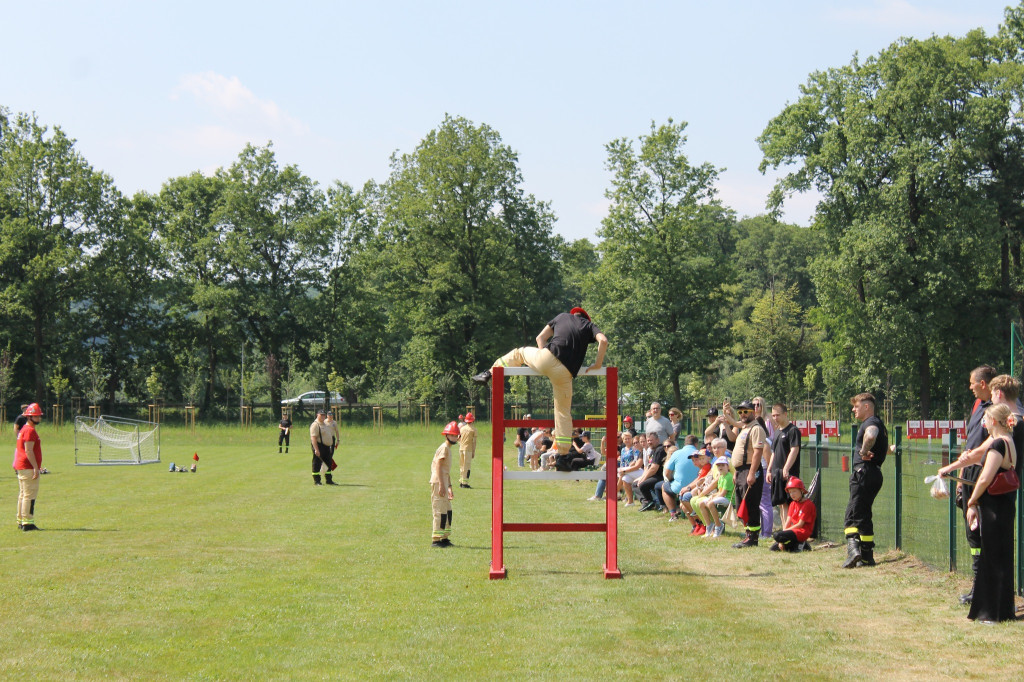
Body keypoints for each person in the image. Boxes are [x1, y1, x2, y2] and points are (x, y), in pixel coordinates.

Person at [473, 307, 608, 456]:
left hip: (547, 358)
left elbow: (540, 338)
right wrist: (598, 364)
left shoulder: (562, 316)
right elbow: (603, 341)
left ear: (573, 314)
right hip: (566, 372)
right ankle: (563, 454)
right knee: (563, 412)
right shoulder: (589, 326)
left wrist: (544, 364)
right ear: (585, 318)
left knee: (519, 353)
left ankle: (489, 373)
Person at [962, 403, 1018, 623]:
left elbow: (985, 477)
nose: (983, 423)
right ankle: (1004, 609)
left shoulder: (997, 443)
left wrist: (972, 500)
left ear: (993, 421)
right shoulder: (1010, 441)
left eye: (985, 419)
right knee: (1003, 557)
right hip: (1005, 505)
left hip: (994, 506)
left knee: (992, 558)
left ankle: (992, 612)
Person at [842, 393, 889, 568]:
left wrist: (863, 451)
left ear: (867, 406)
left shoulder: (871, 423)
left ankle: (854, 552)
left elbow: (871, 435)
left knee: (852, 515)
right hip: (874, 473)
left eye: (856, 406)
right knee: (863, 515)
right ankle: (867, 557)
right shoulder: (880, 423)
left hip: (863, 473)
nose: (853, 409)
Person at [730, 399, 768, 548]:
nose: (742, 414)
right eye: (740, 412)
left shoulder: (756, 429)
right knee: (741, 504)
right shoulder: (745, 428)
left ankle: (753, 538)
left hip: (750, 470)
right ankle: (747, 534)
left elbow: (758, 452)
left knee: (751, 504)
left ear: (753, 412)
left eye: (746, 411)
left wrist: (751, 473)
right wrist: (736, 472)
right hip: (741, 471)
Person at [767, 403, 801, 525]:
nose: (775, 418)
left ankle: (790, 530)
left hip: (788, 474)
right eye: (773, 415)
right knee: (781, 503)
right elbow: (774, 453)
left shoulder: (793, 431)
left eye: (778, 415)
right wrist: (769, 470)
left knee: (790, 503)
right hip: (776, 473)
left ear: (785, 414)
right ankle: (785, 529)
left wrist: (786, 468)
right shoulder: (777, 432)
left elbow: (794, 450)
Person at [13, 403, 44, 531]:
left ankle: (21, 520)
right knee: (29, 495)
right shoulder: (30, 430)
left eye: (39, 416)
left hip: (22, 466)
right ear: (29, 417)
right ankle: (27, 522)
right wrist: (36, 467)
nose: (39, 418)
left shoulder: (24, 430)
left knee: (23, 494)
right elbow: (28, 450)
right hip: (27, 467)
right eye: (36, 416)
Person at [430, 421, 461, 547]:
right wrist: (442, 485)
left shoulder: (448, 449)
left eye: (456, 435)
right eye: (452, 435)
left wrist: (449, 487)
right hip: (438, 482)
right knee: (439, 511)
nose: (454, 437)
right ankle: (436, 540)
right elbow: (438, 465)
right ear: (446, 435)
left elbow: (445, 471)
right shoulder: (444, 448)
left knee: (447, 511)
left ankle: (444, 537)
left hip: (443, 482)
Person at [771, 477, 816, 552]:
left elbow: (800, 525)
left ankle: (802, 544)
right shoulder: (792, 504)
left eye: (794, 491)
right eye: (790, 492)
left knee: (777, 535)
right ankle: (796, 546)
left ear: (802, 491)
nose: (792, 494)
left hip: (802, 531)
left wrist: (783, 533)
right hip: (794, 531)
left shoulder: (808, 504)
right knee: (774, 547)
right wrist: (781, 538)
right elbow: (788, 521)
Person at [662, 435, 700, 519]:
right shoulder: (700, 454)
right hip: (697, 486)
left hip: (679, 487)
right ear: (696, 444)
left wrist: (672, 480)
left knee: (664, 486)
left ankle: (673, 514)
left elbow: (667, 473)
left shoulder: (676, 453)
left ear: (684, 443)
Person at [697, 456, 735, 538]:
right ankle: (709, 525)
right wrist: (713, 496)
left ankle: (718, 525)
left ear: (728, 467)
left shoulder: (728, 477)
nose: (720, 467)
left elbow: (723, 493)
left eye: (723, 465)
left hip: (729, 499)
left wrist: (713, 498)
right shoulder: (721, 476)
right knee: (701, 504)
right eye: (718, 465)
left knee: (710, 503)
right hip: (722, 497)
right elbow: (719, 492)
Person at [636, 432, 668, 511]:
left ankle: (650, 502)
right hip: (654, 475)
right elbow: (649, 467)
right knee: (635, 484)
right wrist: (641, 478)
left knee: (642, 485)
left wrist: (643, 480)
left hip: (660, 476)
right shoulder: (653, 450)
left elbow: (654, 469)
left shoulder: (659, 450)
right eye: (648, 440)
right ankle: (646, 502)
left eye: (651, 440)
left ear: (657, 440)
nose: (649, 442)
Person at [309, 410, 337, 486]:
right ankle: (317, 481)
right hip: (319, 446)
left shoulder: (324, 424)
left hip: (326, 447)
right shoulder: (315, 425)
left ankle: (329, 480)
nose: (322, 416)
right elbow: (313, 438)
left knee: (328, 463)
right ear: (317, 415)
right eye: (321, 415)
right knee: (317, 463)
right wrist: (316, 449)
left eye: (323, 415)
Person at [458, 412, 478, 488]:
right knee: (467, 466)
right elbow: (474, 442)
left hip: (461, 448)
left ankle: (461, 481)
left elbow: (458, 438)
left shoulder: (462, 428)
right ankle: (464, 483)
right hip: (468, 449)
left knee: (462, 465)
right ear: (472, 420)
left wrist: (461, 444)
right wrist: (473, 451)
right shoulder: (474, 430)